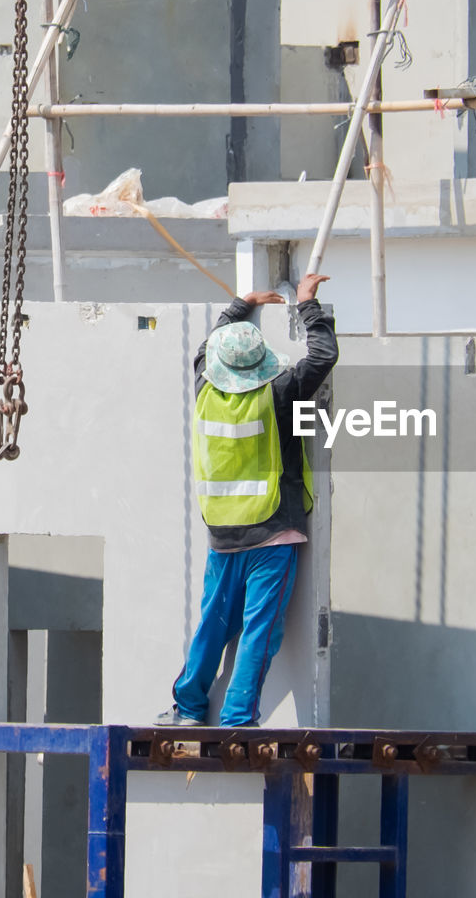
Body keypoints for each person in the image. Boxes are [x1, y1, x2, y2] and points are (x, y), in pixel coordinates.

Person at [157, 273, 336, 727]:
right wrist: (307, 303)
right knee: (259, 631)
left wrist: (241, 304)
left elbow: (205, 348)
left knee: (213, 623)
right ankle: (238, 718)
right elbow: (324, 356)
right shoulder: (278, 393)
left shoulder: (203, 390)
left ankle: (190, 707)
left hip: (223, 532)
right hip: (274, 532)